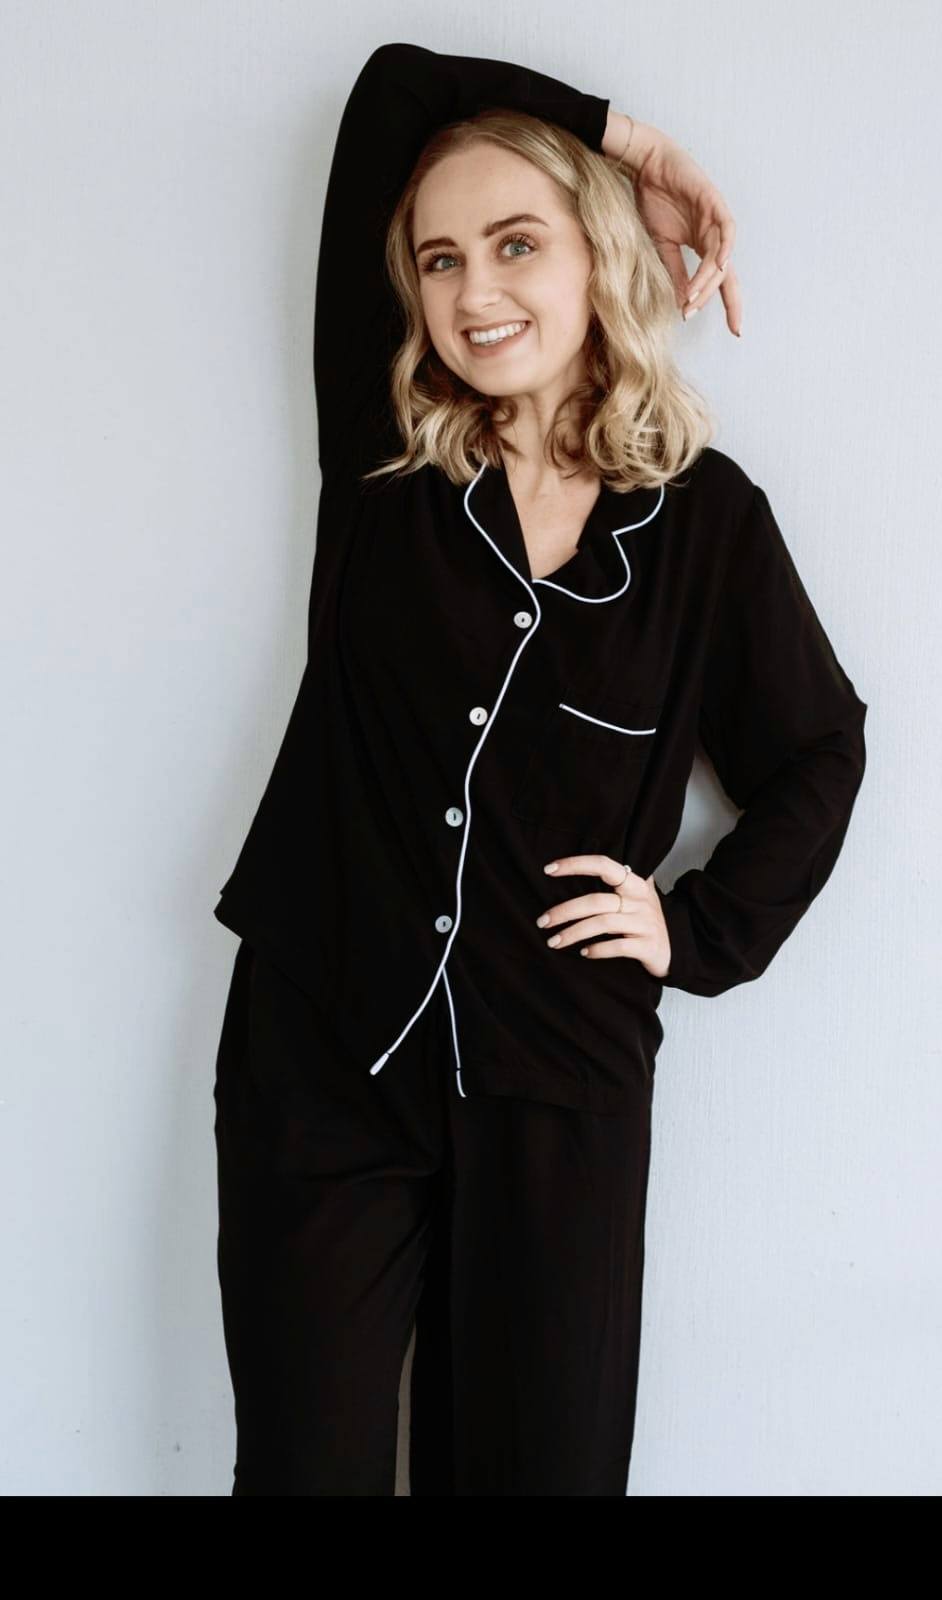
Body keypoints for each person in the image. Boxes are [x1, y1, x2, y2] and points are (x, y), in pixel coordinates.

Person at [210, 41, 867, 1496]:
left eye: (517, 243)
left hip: (560, 1076)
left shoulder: (704, 526)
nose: (473, 291)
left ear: (597, 257)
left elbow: (820, 749)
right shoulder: (385, 460)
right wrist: (637, 140)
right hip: (326, 1052)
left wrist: (693, 930)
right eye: (439, 258)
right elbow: (393, 86)